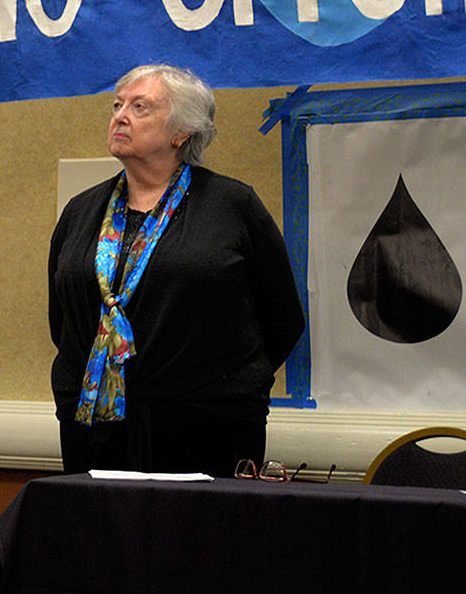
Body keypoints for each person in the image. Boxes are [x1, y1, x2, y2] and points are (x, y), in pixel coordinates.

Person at [47, 64, 304, 477]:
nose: (120, 116)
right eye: (117, 105)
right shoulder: (81, 212)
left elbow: (284, 319)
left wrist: (219, 383)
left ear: (181, 132)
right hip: (94, 430)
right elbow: (63, 321)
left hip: (207, 429)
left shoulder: (231, 206)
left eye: (140, 106)